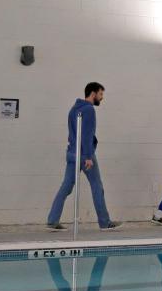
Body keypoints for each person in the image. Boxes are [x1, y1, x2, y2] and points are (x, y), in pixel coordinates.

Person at [46, 82, 121, 231]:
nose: (102, 98)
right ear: (93, 94)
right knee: (97, 187)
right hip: (85, 155)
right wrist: (87, 156)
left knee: (66, 187)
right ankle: (104, 222)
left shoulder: (73, 109)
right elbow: (86, 135)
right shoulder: (89, 110)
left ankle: (52, 220)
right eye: (100, 94)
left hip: (72, 154)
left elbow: (73, 134)